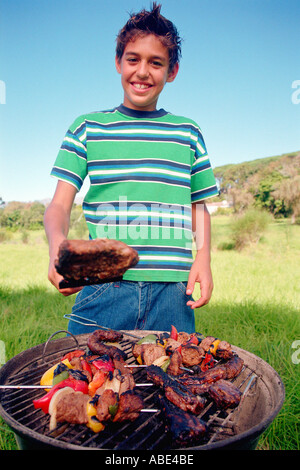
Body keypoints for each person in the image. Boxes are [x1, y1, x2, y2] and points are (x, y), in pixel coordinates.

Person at [44, 3, 219, 335]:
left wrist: (204, 258)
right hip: (105, 287)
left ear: (172, 71)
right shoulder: (87, 128)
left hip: (173, 291)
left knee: (172, 379)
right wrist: (57, 246)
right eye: (133, 59)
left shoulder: (188, 132)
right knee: (87, 377)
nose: (143, 72)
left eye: (156, 63)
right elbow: (58, 205)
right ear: (118, 63)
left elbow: (199, 206)